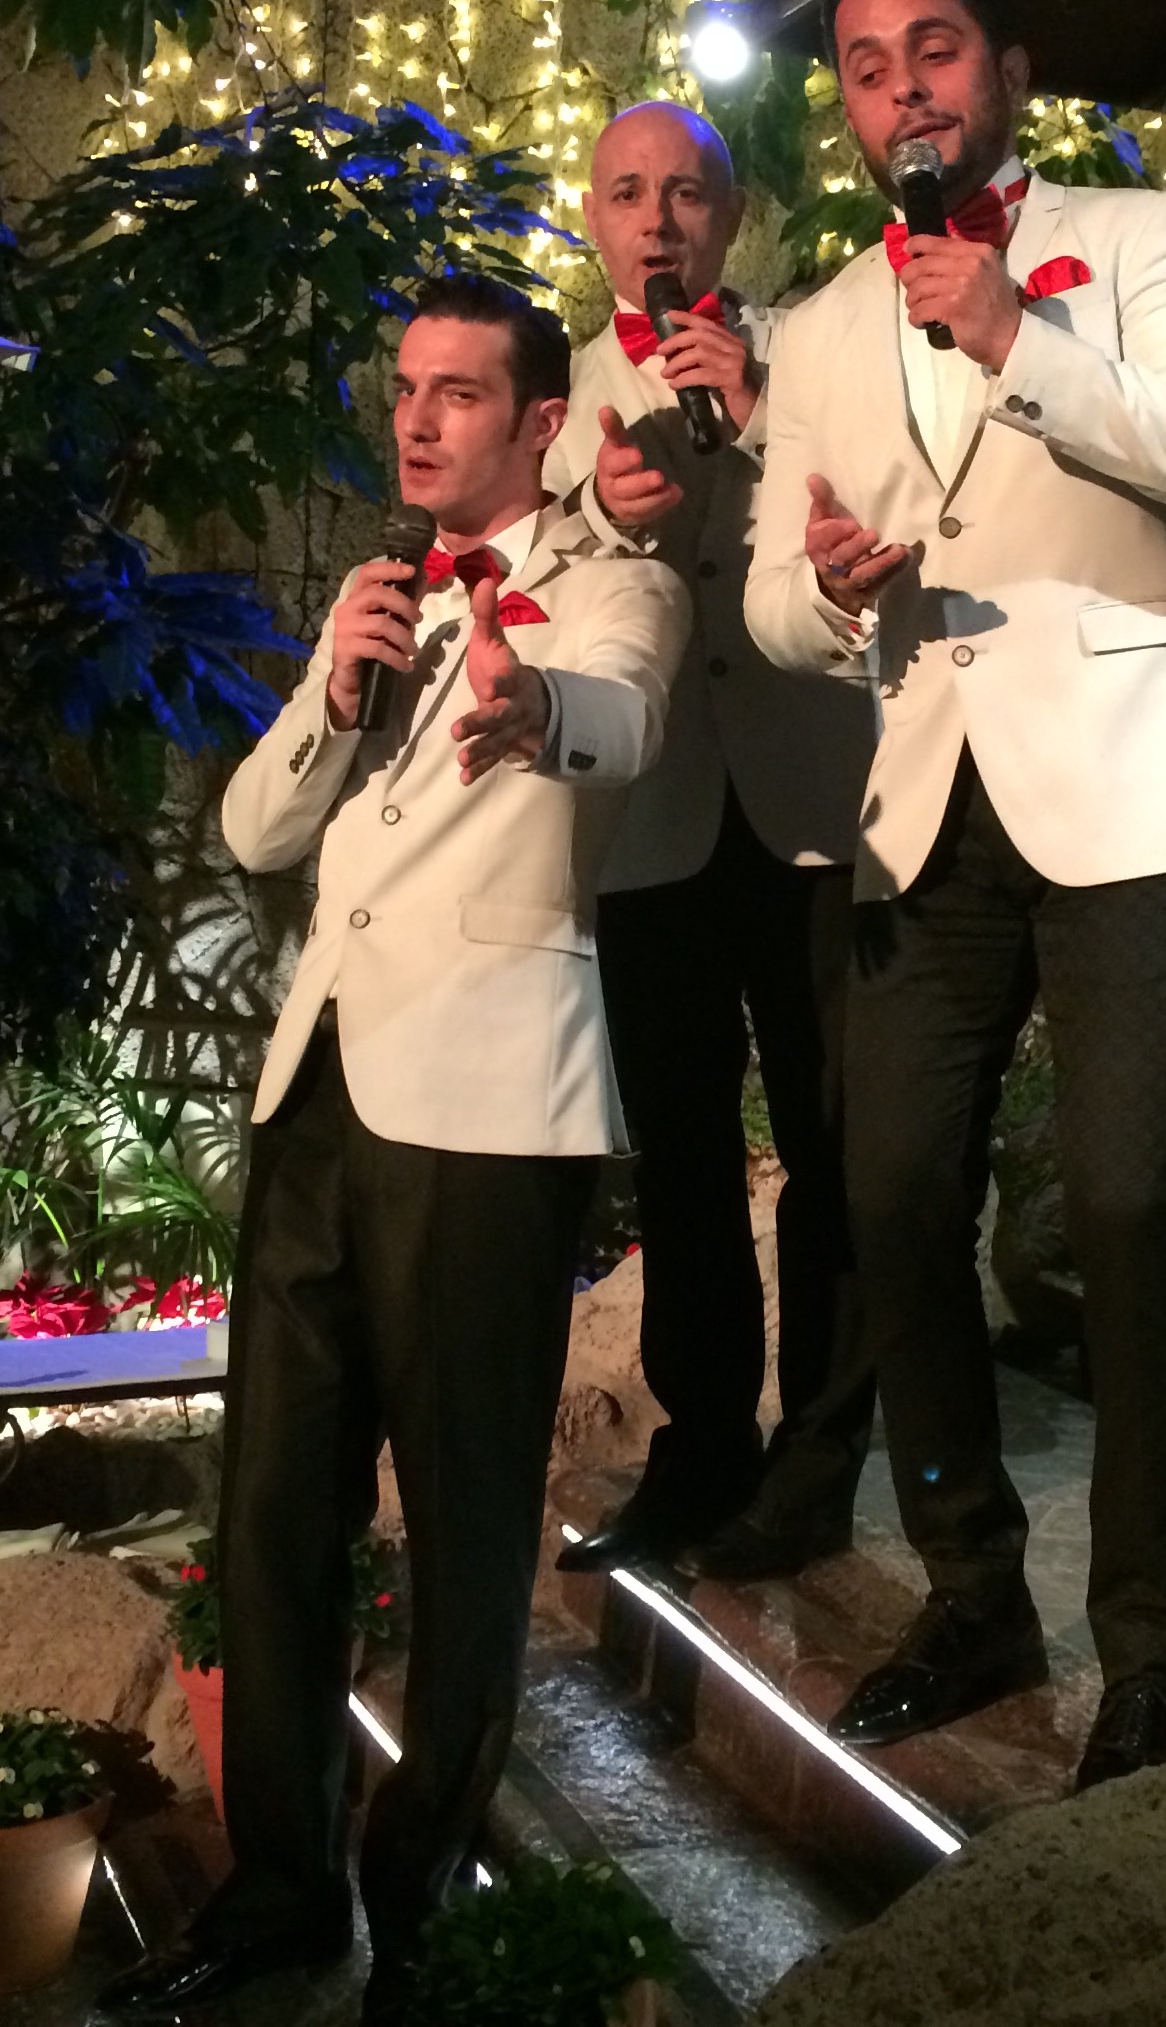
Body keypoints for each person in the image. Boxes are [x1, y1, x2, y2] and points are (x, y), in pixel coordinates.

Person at [98, 275, 689, 2023]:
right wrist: (340, 690)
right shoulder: (379, 591)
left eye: (459, 392)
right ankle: (279, 1888)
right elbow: (256, 825)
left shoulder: (618, 583)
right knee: (272, 1509)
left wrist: (533, 707)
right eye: (406, 388)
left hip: (490, 1113)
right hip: (319, 1100)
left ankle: (419, 1899)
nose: (417, 419)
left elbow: (624, 718)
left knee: (467, 1522)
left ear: (539, 420)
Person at [745, 0, 1166, 1790]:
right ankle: (973, 1587)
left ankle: (1149, 1650)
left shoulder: (1140, 237)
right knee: (890, 1195)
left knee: (1128, 1204)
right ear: (846, 108)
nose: (903, 88)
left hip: (1127, 784)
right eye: (867, 66)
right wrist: (827, 592)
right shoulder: (819, 324)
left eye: (935, 48)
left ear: (1006, 71)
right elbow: (772, 601)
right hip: (925, 798)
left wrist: (1013, 336)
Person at [545, 102, 878, 1582]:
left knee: (832, 1146)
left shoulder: (812, 357)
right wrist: (598, 508)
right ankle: (699, 1457)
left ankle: (820, 1462)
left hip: (815, 804)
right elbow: (536, 584)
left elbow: (875, 509)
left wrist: (759, 412)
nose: (659, 219)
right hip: (654, 816)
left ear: (730, 218)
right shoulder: (557, 398)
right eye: (629, 193)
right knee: (680, 1153)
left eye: (686, 192)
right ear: (595, 219)